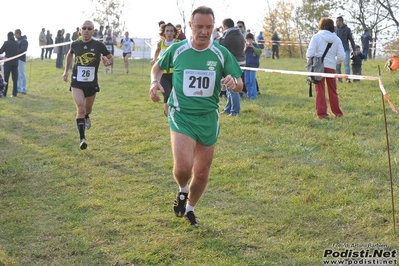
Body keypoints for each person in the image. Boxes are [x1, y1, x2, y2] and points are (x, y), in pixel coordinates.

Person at [149, 6, 243, 227]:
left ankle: (189, 208)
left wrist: (233, 83)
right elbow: (157, 68)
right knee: (183, 167)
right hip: (181, 115)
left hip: (208, 117)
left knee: (200, 173)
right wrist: (154, 82)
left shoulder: (221, 53)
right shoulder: (178, 50)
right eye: (199, 26)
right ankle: (182, 190)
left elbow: (239, 83)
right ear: (190, 26)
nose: (204, 31)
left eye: (209, 27)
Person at [62, 20, 113, 150]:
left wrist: (107, 62)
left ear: (93, 31)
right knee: (80, 107)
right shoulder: (75, 44)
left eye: (89, 28)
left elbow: (110, 57)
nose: (86, 30)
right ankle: (82, 139)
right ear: (80, 30)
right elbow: (69, 55)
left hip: (91, 83)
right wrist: (66, 71)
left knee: (87, 109)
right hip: (76, 82)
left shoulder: (98, 45)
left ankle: (86, 117)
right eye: (84, 28)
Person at [306, 17, 345, 119]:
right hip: (331, 67)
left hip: (319, 67)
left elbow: (310, 53)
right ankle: (337, 113)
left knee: (320, 91)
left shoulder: (316, 37)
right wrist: (334, 62)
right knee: (333, 90)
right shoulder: (337, 39)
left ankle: (322, 114)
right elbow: (341, 56)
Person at [150, 23, 179, 116]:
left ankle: (176, 114)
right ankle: (168, 116)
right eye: (167, 31)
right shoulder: (161, 43)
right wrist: (154, 59)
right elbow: (157, 51)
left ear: (174, 32)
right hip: (163, 74)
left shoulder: (179, 43)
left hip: (176, 74)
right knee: (167, 95)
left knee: (177, 97)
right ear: (164, 33)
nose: (169, 33)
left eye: (171, 31)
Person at [218, 18, 245, 116]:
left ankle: (235, 111)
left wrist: (219, 34)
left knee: (232, 88)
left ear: (225, 26)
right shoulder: (239, 34)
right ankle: (228, 108)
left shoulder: (228, 36)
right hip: (241, 61)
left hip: (233, 63)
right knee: (229, 87)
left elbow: (219, 45)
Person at [335, 16, 356, 83]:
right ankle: (339, 78)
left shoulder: (347, 29)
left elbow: (351, 40)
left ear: (341, 21)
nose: (336, 22)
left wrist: (354, 49)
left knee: (346, 64)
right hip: (337, 50)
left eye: (337, 21)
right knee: (337, 65)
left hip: (345, 49)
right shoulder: (335, 29)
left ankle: (347, 79)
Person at [0, 32, 19, 97]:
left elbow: (1, 51)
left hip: (8, 63)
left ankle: (4, 93)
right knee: (15, 79)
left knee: (6, 79)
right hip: (15, 63)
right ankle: (14, 93)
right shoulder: (17, 43)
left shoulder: (6, 43)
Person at [244, 33, 262, 99]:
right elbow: (242, 54)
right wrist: (245, 48)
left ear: (252, 39)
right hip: (246, 65)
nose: (249, 41)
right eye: (247, 39)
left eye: (250, 39)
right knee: (247, 81)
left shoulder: (255, 45)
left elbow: (259, 52)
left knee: (252, 81)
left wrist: (253, 47)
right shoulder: (245, 46)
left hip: (253, 65)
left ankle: (253, 95)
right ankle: (249, 94)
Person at [14, 29, 28, 95]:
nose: (14, 35)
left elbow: (23, 50)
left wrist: (16, 52)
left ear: (18, 34)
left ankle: (23, 89)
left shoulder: (24, 41)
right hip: (16, 59)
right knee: (18, 75)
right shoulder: (17, 41)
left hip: (21, 59)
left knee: (22, 74)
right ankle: (18, 88)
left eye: (15, 34)